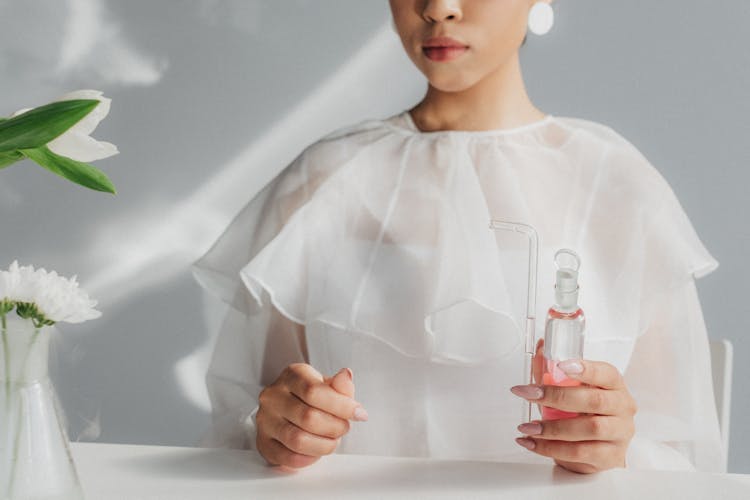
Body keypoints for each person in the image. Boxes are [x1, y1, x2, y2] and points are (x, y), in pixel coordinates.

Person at [192, 0, 723, 474]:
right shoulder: (326, 179)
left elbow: (678, 449)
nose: (439, 7)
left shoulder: (614, 184)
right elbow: (248, 421)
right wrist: (281, 431)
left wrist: (614, 449)